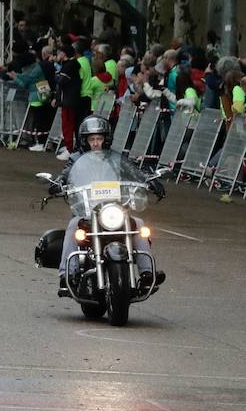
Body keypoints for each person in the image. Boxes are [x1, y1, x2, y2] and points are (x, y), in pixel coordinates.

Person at [47, 115, 165, 293]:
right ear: (85, 141)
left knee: (139, 225)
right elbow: (66, 174)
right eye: (92, 139)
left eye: (99, 139)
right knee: (73, 226)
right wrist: (58, 183)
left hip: (114, 210)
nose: (95, 143)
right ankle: (66, 276)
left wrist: (149, 180)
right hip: (88, 211)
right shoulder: (76, 158)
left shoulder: (116, 158)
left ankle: (148, 274)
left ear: (106, 139)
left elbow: (134, 171)